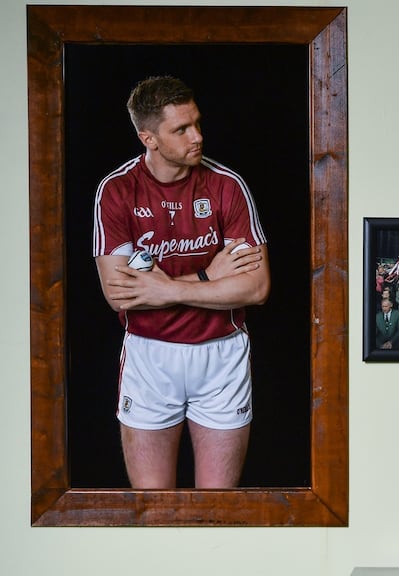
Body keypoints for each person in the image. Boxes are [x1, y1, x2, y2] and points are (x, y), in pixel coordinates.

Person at [92, 76, 270, 489]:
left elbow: (257, 287)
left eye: (197, 123)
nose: (197, 136)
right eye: (181, 129)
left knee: (217, 508)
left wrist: (166, 288)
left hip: (220, 353)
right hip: (150, 357)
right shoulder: (117, 190)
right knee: (155, 510)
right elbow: (120, 295)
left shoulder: (227, 185)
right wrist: (209, 276)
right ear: (148, 138)